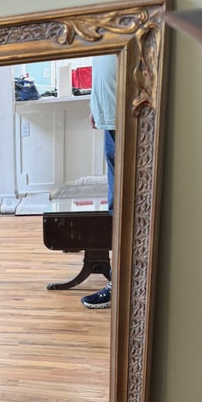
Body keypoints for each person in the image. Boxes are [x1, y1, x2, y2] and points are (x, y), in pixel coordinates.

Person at [81, 54, 116, 309]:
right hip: (110, 117)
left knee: (131, 207)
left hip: (131, 116)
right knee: (116, 205)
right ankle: (120, 280)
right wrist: (96, 106)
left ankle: (126, 283)